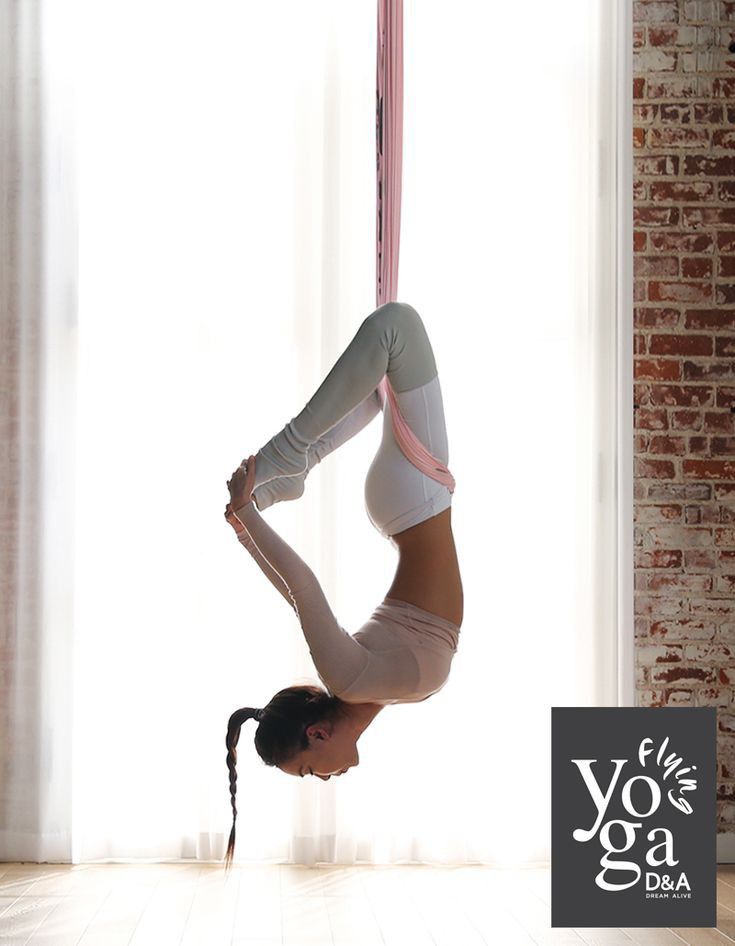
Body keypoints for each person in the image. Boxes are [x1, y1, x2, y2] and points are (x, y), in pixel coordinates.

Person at [222, 301, 463, 870]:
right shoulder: (365, 682)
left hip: (418, 502)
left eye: (309, 769)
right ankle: (297, 461)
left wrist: (249, 519)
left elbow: (303, 590)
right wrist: (242, 527)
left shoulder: (349, 678)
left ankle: (291, 455)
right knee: (381, 383)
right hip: (409, 505)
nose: (322, 779)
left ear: (318, 734)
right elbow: (295, 598)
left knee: (395, 329)